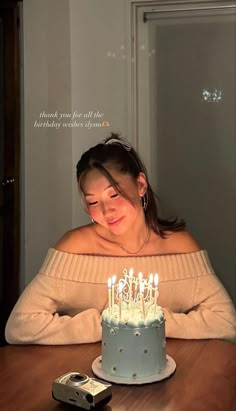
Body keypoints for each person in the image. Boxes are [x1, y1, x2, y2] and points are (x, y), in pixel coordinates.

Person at [5, 134, 236, 344]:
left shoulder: (180, 247)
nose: (107, 211)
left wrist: (153, 321)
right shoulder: (74, 249)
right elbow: (20, 326)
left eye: (114, 194)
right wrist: (109, 324)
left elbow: (226, 323)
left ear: (141, 185)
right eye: (93, 202)